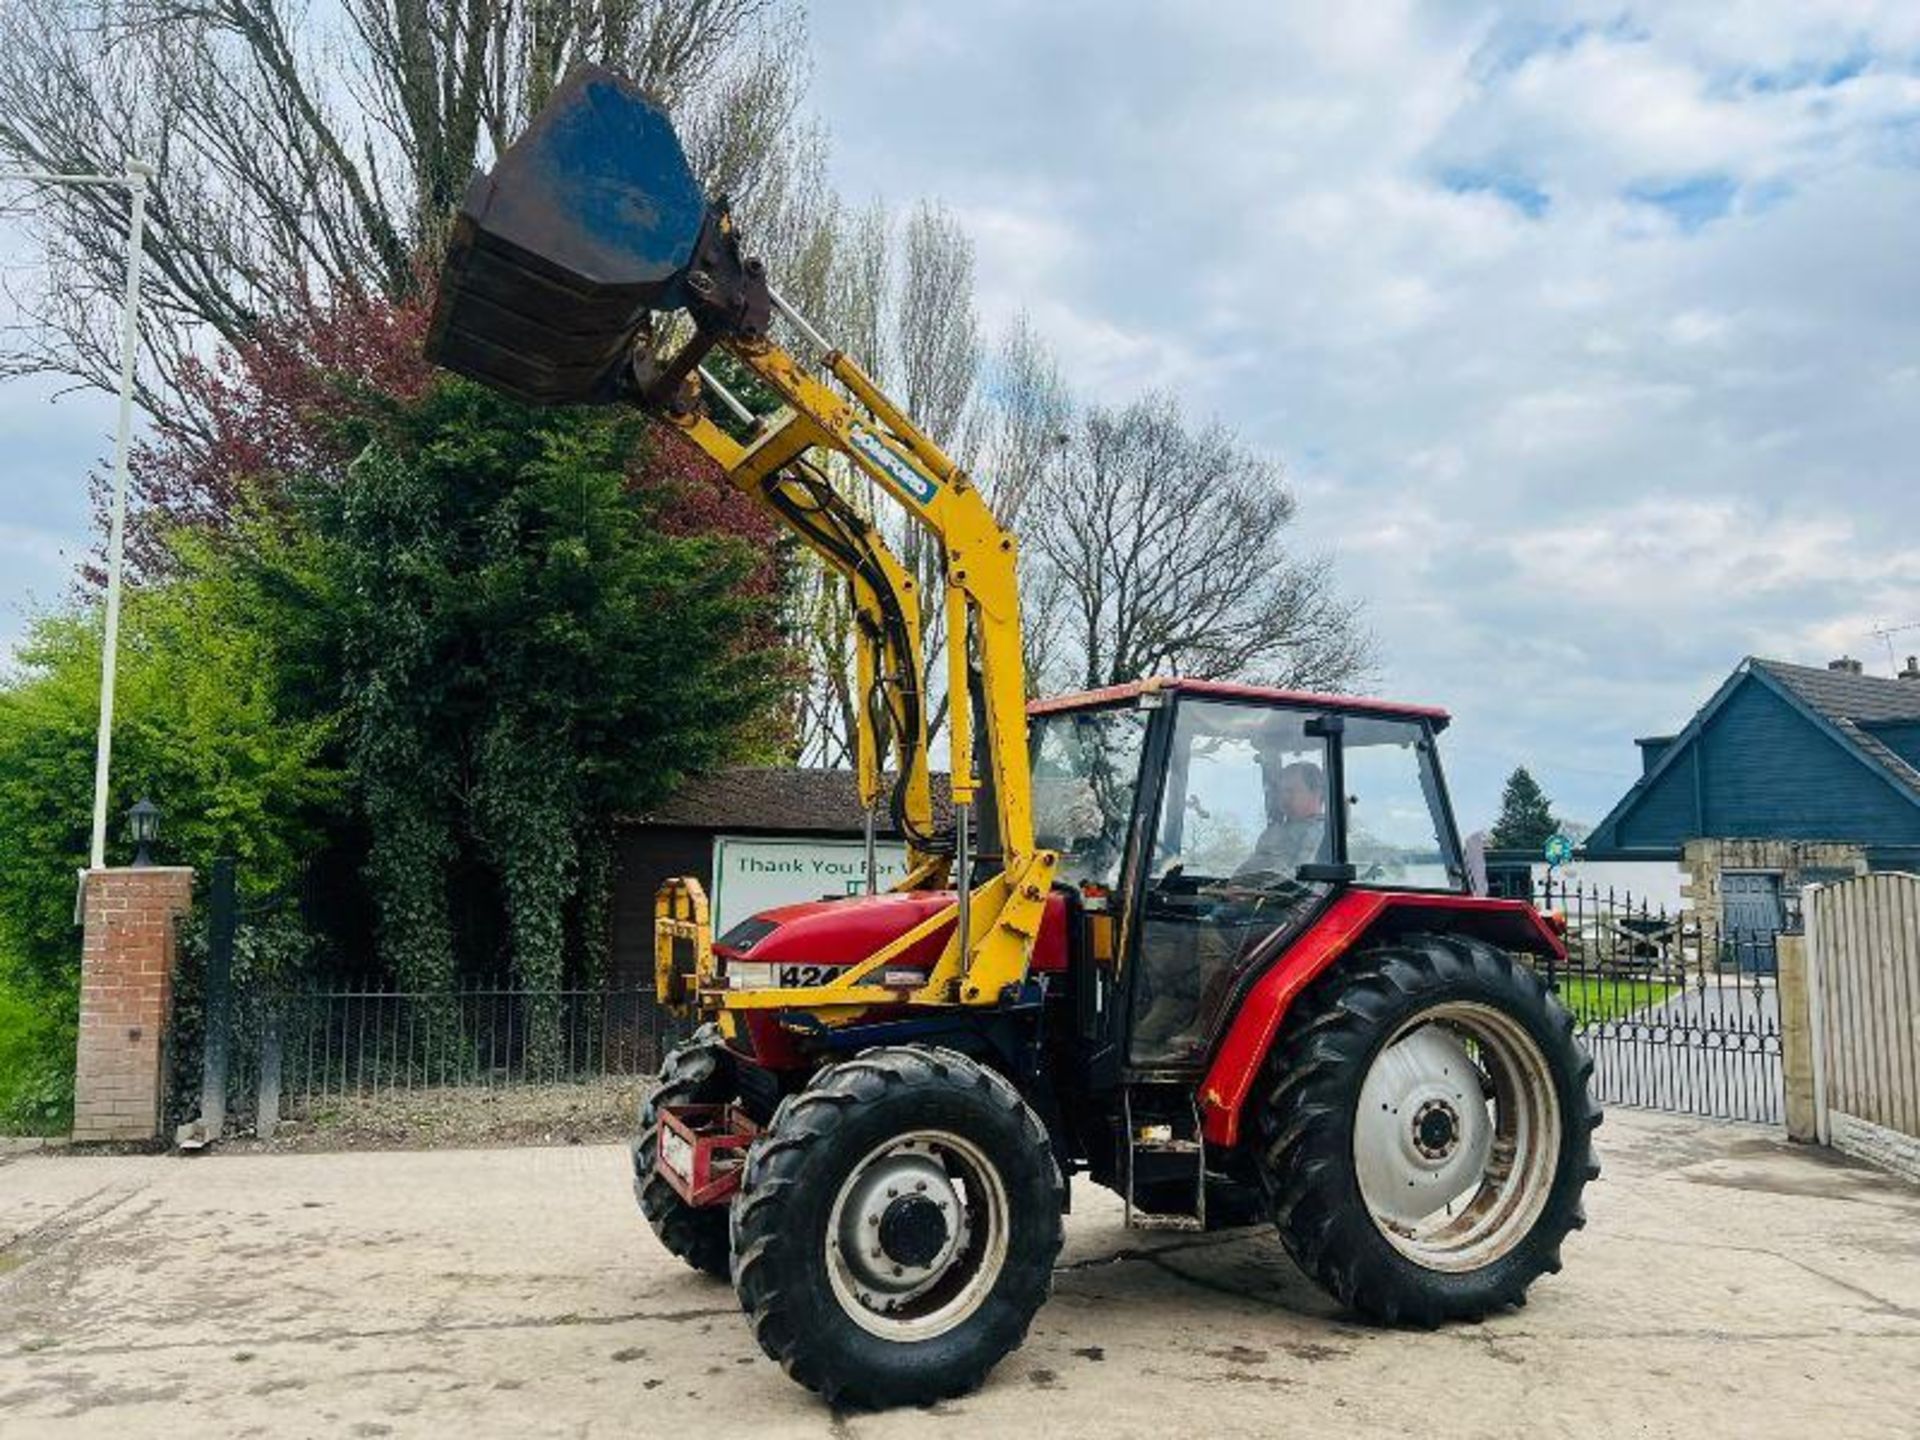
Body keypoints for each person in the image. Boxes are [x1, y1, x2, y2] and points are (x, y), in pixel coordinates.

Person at [1237, 756, 1328, 878]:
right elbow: (1252, 868)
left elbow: (1299, 878)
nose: (1283, 797)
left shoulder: (1323, 834)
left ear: (1316, 793)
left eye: (1290, 791)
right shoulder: (1274, 832)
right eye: (1281, 791)